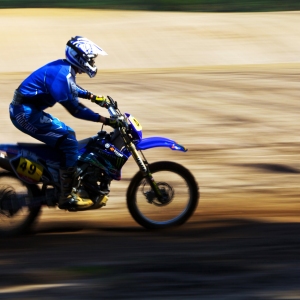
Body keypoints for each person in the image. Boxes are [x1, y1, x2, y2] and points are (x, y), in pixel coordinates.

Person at [9, 36, 118, 209]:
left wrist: (93, 97)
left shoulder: (65, 68)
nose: (93, 62)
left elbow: (72, 87)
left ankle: (60, 175)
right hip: (25, 113)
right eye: (91, 58)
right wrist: (105, 120)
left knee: (66, 137)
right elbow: (76, 110)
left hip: (29, 110)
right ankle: (66, 196)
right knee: (68, 140)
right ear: (81, 57)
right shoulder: (62, 74)